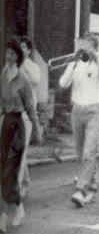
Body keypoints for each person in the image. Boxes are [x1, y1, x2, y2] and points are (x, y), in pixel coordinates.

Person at [59, 35, 99, 207]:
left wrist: (96, 57)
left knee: (89, 151)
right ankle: (91, 183)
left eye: (87, 46)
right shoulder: (75, 62)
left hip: (95, 111)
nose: (83, 49)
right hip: (77, 110)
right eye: (81, 46)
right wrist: (73, 63)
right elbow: (62, 83)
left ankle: (81, 189)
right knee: (81, 152)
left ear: (94, 47)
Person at [0, 40, 39, 231]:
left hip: (19, 124)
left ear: (18, 57)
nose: (8, 57)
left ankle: (8, 213)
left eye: (12, 54)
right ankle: (14, 208)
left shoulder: (23, 79)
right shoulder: (3, 74)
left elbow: (31, 107)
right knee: (2, 170)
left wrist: (38, 131)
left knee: (11, 170)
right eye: (7, 53)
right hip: (5, 121)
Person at [18, 37, 41, 199]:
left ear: (29, 50)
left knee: (20, 151)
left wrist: (23, 64)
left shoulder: (32, 66)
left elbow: (35, 81)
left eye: (24, 48)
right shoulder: (11, 66)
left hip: (27, 113)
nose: (21, 50)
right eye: (19, 47)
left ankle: (17, 187)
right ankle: (24, 181)